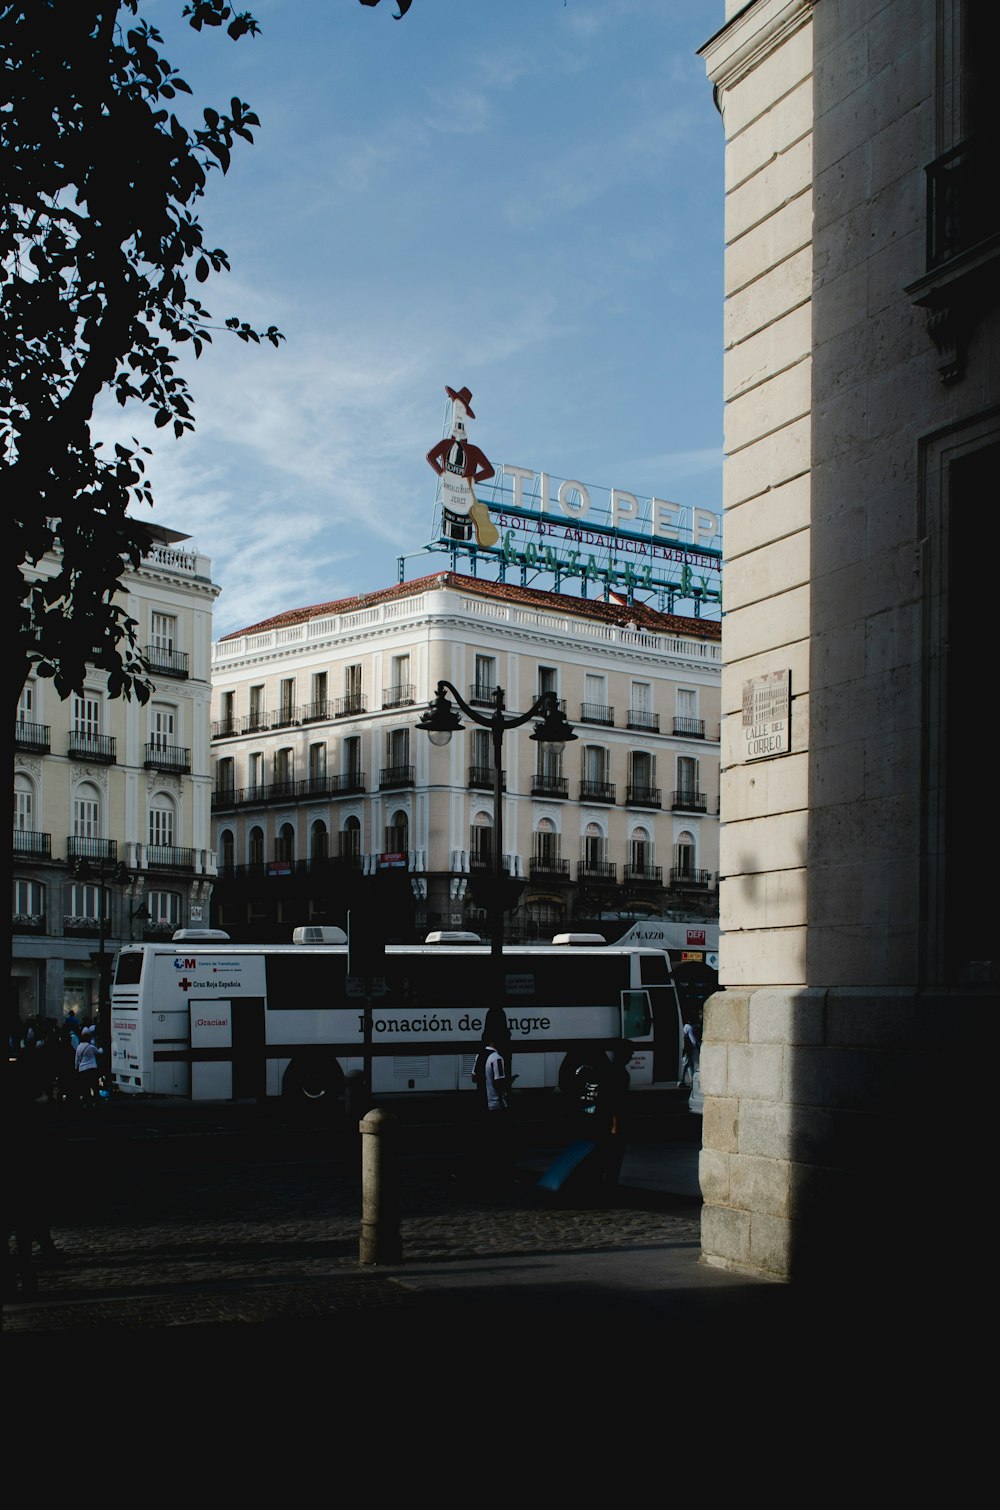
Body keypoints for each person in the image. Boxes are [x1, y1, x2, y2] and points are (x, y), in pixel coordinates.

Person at [74, 1025, 103, 1106]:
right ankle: (96, 1101)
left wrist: (76, 1068)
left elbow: (76, 1059)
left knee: (85, 1087)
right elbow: (100, 1052)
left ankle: (87, 1101)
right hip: (92, 1068)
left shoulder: (79, 1047)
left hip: (82, 1069)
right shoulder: (91, 1047)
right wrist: (100, 1046)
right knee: (94, 1086)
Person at [681, 1019, 699, 1086]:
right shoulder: (689, 1027)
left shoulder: (684, 1027)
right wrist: (698, 1047)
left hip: (685, 1049)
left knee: (689, 1065)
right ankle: (681, 1081)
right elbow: (693, 1040)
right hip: (688, 1049)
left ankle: (692, 1081)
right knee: (686, 1064)